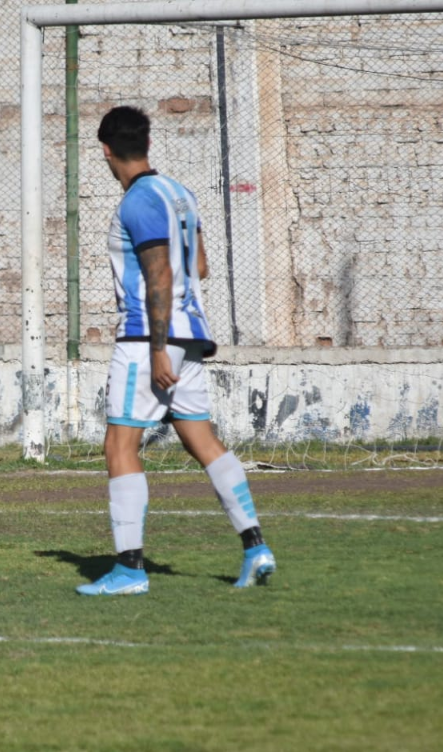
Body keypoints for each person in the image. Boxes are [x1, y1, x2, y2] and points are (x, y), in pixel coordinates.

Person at [76, 106, 277, 595]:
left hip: (150, 339)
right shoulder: (180, 194)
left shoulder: (137, 202)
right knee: (202, 441)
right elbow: (199, 266)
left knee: (119, 445)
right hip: (191, 334)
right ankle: (256, 547)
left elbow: (160, 275)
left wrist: (158, 350)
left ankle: (129, 569)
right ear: (146, 142)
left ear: (105, 150)